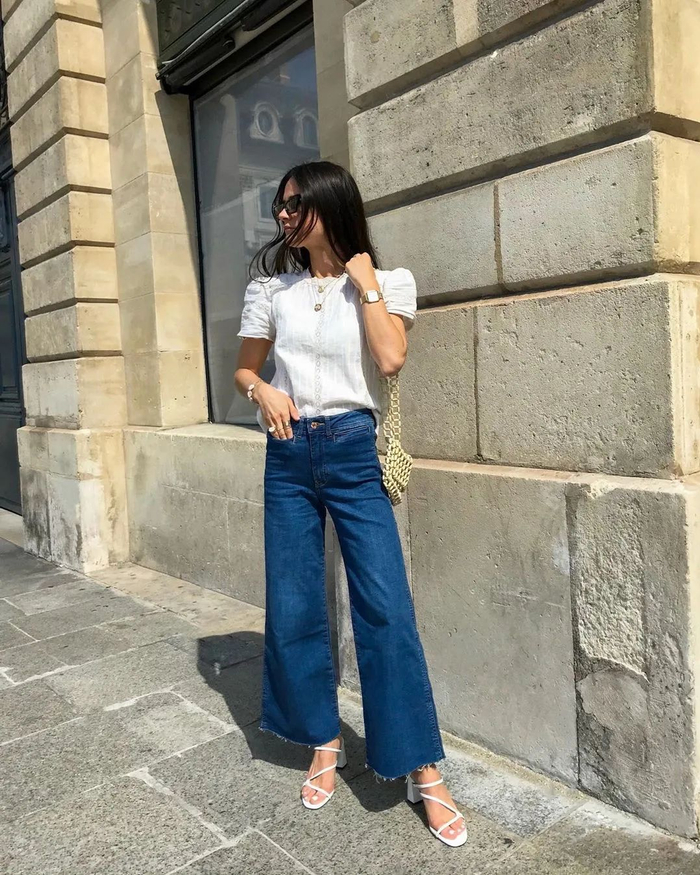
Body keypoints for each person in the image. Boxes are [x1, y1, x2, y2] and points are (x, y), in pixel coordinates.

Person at [233, 160, 467, 848]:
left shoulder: (389, 282)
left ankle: (422, 767)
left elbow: (390, 360)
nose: (283, 214)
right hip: (287, 452)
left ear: (329, 204)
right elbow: (245, 366)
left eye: (295, 203)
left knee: (385, 606)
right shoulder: (271, 290)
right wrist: (262, 391)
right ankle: (323, 740)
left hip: (352, 448)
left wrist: (366, 286)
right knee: (295, 602)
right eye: (279, 205)